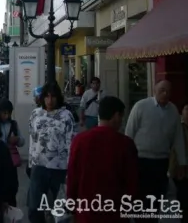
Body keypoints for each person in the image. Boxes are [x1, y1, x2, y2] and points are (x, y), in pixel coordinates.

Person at [67, 96, 138, 223]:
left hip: (86, 212)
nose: (122, 121)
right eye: (121, 116)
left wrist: (71, 205)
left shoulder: (80, 141)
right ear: (116, 115)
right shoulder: (126, 144)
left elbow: (73, 176)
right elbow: (131, 182)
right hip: (114, 212)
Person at [125, 80, 186, 221]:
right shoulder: (141, 106)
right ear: (154, 91)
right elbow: (129, 133)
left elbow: (178, 139)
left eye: (168, 91)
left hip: (161, 161)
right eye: (162, 90)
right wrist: (127, 159)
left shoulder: (173, 111)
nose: (165, 94)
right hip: (141, 160)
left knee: (157, 197)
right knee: (141, 197)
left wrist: (182, 162)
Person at [28, 83, 75, 223]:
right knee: (34, 206)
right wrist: (30, 163)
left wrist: (70, 169)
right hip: (38, 166)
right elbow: (32, 138)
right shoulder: (35, 114)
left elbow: (71, 142)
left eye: (53, 96)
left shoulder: (66, 116)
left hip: (59, 168)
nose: (50, 100)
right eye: (47, 96)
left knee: (60, 209)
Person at [170, 101, 188, 223]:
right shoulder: (178, 129)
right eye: (187, 109)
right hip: (181, 170)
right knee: (183, 199)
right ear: (182, 112)